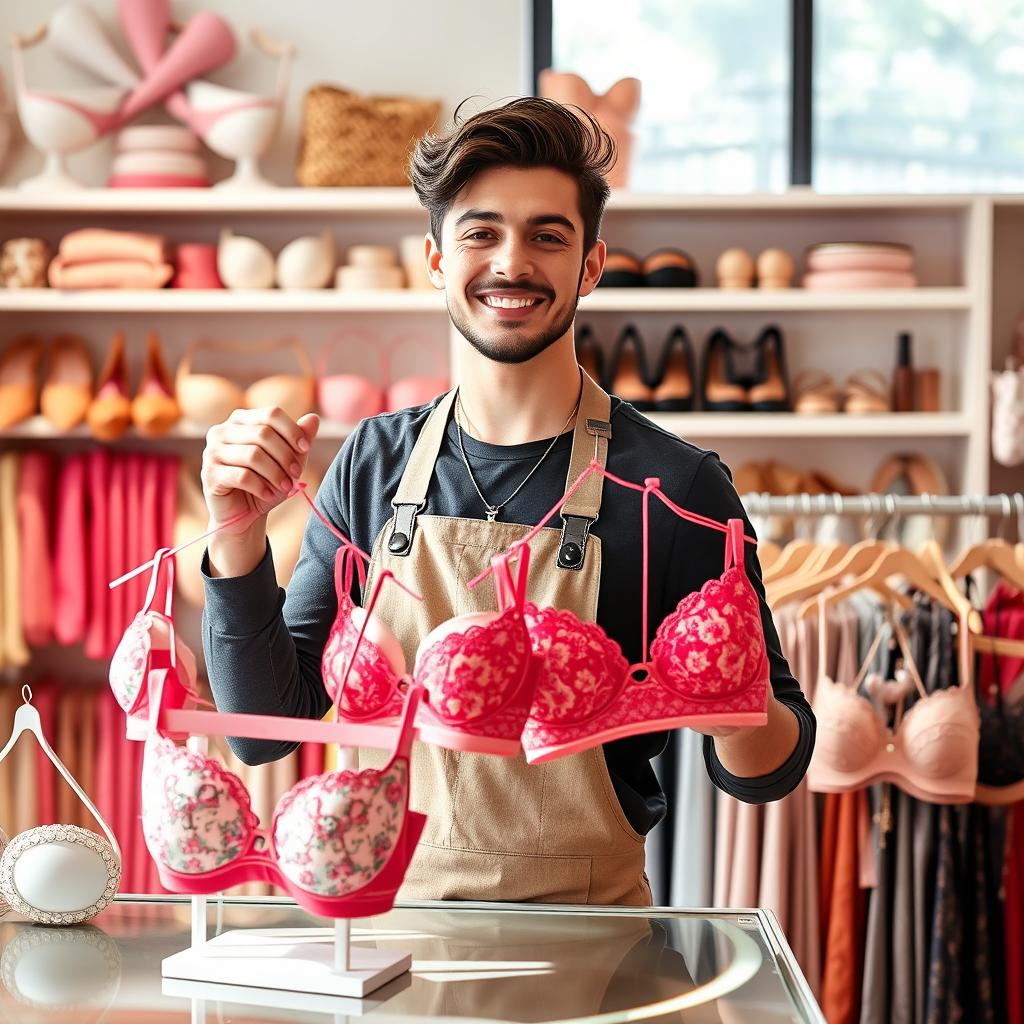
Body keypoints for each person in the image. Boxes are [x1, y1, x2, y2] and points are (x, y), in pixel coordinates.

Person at [199, 96, 815, 906]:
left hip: (588, 953)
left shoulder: (677, 485)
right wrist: (236, 537)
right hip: (382, 933)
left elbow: (771, 772)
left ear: (590, 266)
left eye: (547, 235)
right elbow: (260, 728)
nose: (512, 262)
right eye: (481, 232)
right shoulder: (373, 465)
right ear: (434, 259)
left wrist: (732, 702)